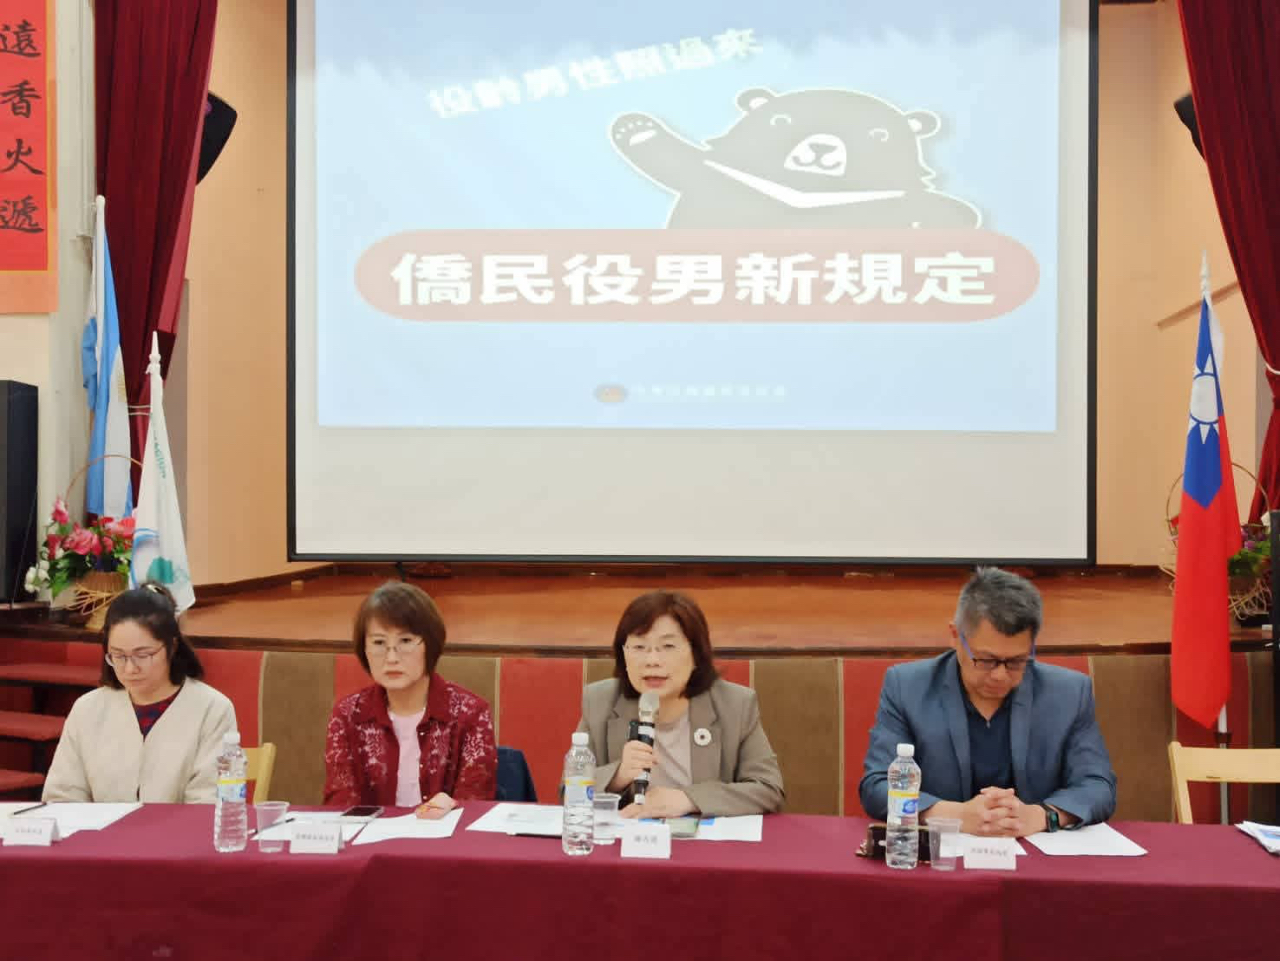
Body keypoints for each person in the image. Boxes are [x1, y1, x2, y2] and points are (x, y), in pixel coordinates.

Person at [860, 567, 1116, 836]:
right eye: (986, 660)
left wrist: (1042, 816)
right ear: (955, 636)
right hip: (942, 852)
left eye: (1016, 661)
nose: (1000, 675)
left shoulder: (1069, 693)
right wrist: (954, 815)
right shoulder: (907, 687)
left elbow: (1098, 786)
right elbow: (877, 786)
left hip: (1033, 849)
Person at [576, 590, 784, 818]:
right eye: (639, 647)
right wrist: (617, 776)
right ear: (623, 655)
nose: (652, 660)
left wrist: (688, 799)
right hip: (630, 837)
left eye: (668, 646)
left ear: (695, 655)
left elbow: (768, 789)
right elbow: (569, 790)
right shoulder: (600, 702)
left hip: (705, 839)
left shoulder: (735, 705)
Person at [43, 583, 237, 803]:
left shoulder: (212, 709)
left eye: (143, 655)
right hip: (103, 828)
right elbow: (62, 797)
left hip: (180, 827)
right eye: (118, 656)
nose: (129, 669)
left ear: (172, 647)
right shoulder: (87, 709)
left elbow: (208, 803)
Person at [324, 581, 496, 817]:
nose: (391, 658)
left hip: (443, 837)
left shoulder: (470, 714)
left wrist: (453, 805)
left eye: (405, 641)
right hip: (370, 839)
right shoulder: (347, 715)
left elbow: (475, 806)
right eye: (379, 643)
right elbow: (340, 807)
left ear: (430, 645)